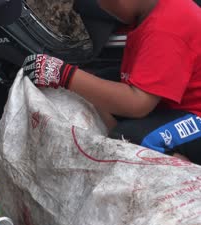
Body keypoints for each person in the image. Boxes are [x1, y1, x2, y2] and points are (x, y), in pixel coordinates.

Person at [23, 0, 201, 165]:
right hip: (170, 104)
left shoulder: (166, 27)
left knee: (134, 142)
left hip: (195, 115)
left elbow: (138, 104)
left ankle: (188, 178)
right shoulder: (151, 13)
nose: (104, 8)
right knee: (97, 85)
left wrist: (64, 75)